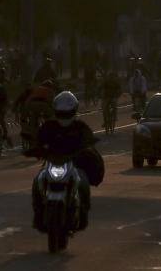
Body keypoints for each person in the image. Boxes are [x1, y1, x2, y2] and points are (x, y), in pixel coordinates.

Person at [29, 91, 99, 231]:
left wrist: (88, 151)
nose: (64, 117)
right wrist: (36, 149)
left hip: (73, 164)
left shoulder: (80, 127)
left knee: (83, 182)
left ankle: (82, 216)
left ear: (74, 111)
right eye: (61, 113)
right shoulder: (49, 127)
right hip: (51, 163)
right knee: (37, 181)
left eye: (67, 113)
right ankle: (38, 215)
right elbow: (39, 141)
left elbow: (89, 142)